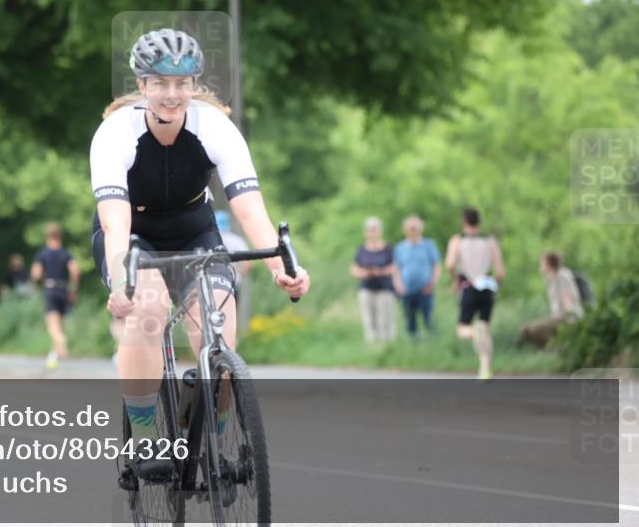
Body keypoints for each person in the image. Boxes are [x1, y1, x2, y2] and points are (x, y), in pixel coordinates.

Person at [90, 28, 309, 480]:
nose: (173, 95)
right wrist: (121, 278)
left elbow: (249, 208)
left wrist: (281, 268)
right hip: (135, 232)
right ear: (143, 84)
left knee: (217, 332)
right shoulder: (115, 132)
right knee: (147, 309)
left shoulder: (212, 125)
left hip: (195, 229)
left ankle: (212, 438)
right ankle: (146, 438)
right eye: (161, 84)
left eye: (183, 83)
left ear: (194, 83)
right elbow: (115, 221)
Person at [445, 207, 506, 382]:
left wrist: (455, 280)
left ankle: (475, 334)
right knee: (484, 328)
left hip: (469, 286)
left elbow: (449, 264)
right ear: (479, 221)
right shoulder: (490, 241)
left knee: (463, 329)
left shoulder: (458, 240)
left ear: (464, 221)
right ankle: (485, 368)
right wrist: (497, 286)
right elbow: (500, 272)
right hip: (488, 287)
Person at [31, 222, 80, 369]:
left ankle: (62, 343)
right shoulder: (66, 253)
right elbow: (76, 271)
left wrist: (36, 282)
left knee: (53, 326)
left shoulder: (43, 254)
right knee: (60, 324)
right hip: (64, 289)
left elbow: (36, 273)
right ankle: (54, 356)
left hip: (50, 289)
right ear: (60, 236)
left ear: (47, 236)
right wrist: (73, 289)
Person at [519, 251, 584, 348]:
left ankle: (559, 348)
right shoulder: (550, 279)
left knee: (533, 330)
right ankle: (555, 348)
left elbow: (567, 300)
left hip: (567, 317)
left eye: (542, 263)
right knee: (525, 330)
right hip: (557, 316)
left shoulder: (562, 276)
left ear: (549, 264)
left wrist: (569, 322)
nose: (540, 266)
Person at [391, 215, 442, 339]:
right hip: (406, 290)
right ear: (405, 230)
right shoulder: (400, 247)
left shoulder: (429, 245)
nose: (413, 230)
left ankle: (433, 341)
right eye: (411, 228)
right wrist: (398, 286)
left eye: (416, 227)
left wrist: (432, 284)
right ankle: (413, 343)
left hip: (425, 289)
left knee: (428, 319)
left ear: (421, 229)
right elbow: (396, 269)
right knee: (410, 320)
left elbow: (436, 266)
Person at [350, 217, 397, 344]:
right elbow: (354, 269)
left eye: (375, 229)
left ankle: (387, 346)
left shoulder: (388, 248)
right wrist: (365, 273)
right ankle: (372, 346)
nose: (372, 232)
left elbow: (395, 268)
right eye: (370, 229)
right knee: (369, 320)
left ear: (380, 231)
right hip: (366, 288)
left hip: (384, 288)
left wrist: (380, 271)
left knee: (385, 319)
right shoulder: (362, 249)